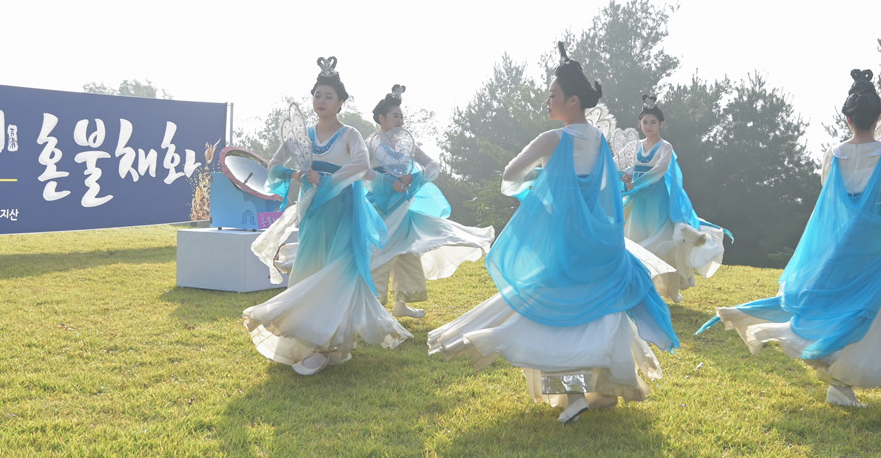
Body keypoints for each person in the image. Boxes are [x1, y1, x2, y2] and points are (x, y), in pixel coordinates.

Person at [429, 43, 679, 423]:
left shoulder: (553, 139)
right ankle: (595, 389)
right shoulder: (598, 140)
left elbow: (510, 175)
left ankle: (575, 395)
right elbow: (605, 190)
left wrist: (540, 180)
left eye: (553, 95)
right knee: (591, 315)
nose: (547, 101)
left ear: (573, 100)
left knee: (550, 318)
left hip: (563, 243)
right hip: (596, 243)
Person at [703, 70, 881, 408]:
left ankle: (857, 380)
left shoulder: (834, 154)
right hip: (880, 233)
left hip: (845, 236)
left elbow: (829, 191)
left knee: (849, 300)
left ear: (847, 118)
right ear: (878, 118)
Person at [243, 58, 410, 374]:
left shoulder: (350, 134)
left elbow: (361, 164)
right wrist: (295, 174)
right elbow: (273, 165)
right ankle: (316, 342)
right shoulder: (302, 135)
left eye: (328, 96)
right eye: (317, 95)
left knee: (335, 273)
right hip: (313, 211)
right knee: (308, 271)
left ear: (341, 102)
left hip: (342, 211)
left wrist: (327, 179)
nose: (321, 101)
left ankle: (323, 347)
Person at [365, 84, 494, 319]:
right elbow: (361, 172)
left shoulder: (407, 144)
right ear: (381, 118)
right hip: (381, 207)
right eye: (395, 116)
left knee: (408, 252)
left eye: (402, 116)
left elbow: (433, 164)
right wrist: (388, 181)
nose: (401, 121)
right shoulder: (370, 144)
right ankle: (373, 306)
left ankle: (401, 304)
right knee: (380, 253)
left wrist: (417, 177)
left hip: (404, 207)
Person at [621, 91, 730, 302]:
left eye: (653, 122)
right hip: (638, 199)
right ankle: (636, 286)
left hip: (657, 200)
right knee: (634, 237)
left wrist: (637, 183)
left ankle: (668, 287)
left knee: (662, 240)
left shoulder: (665, 147)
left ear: (660, 124)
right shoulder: (636, 145)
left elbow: (660, 169)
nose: (648, 126)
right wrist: (626, 177)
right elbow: (628, 166)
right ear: (640, 124)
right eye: (645, 122)